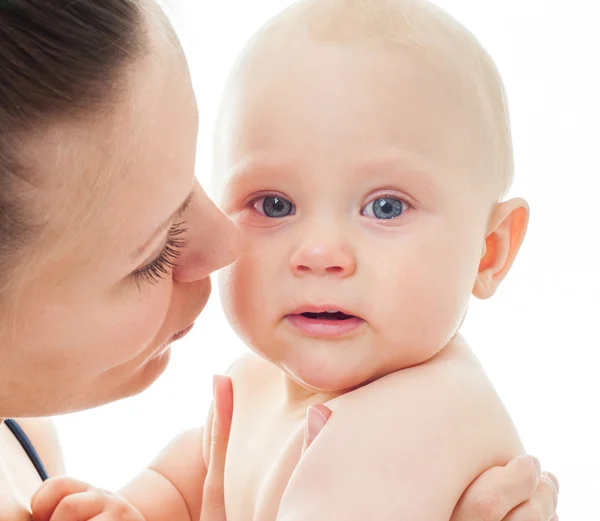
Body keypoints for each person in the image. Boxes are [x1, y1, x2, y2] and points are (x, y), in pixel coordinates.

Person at [0, 1, 557, 520]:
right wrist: (140, 507)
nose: (319, 254)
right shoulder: (264, 382)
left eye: (385, 207)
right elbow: (185, 481)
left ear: (491, 251)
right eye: (274, 205)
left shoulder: (415, 423)